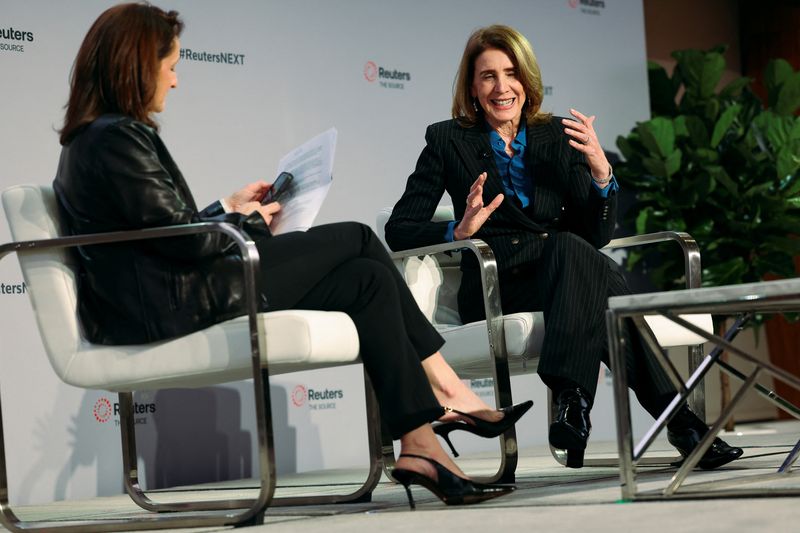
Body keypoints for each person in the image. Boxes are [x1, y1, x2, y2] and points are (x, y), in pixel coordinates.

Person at [53, 4, 531, 508]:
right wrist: (250, 224)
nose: (174, 81)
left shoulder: (104, 137)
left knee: (366, 279)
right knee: (359, 239)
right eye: (170, 66)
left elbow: (159, 228)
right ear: (137, 66)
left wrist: (227, 208)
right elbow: (181, 242)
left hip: (174, 291)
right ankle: (451, 392)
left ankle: (419, 444)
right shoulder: (116, 138)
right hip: (170, 305)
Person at [385, 24, 743, 469]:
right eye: (488, 76)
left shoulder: (557, 135)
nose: (502, 87)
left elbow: (597, 234)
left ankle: (574, 402)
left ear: (527, 79)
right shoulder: (447, 139)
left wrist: (600, 173)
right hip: (498, 284)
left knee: (575, 252)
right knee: (597, 273)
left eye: (511, 73)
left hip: (563, 272)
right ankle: (681, 423)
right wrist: (457, 231)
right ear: (472, 88)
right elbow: (400, 229)